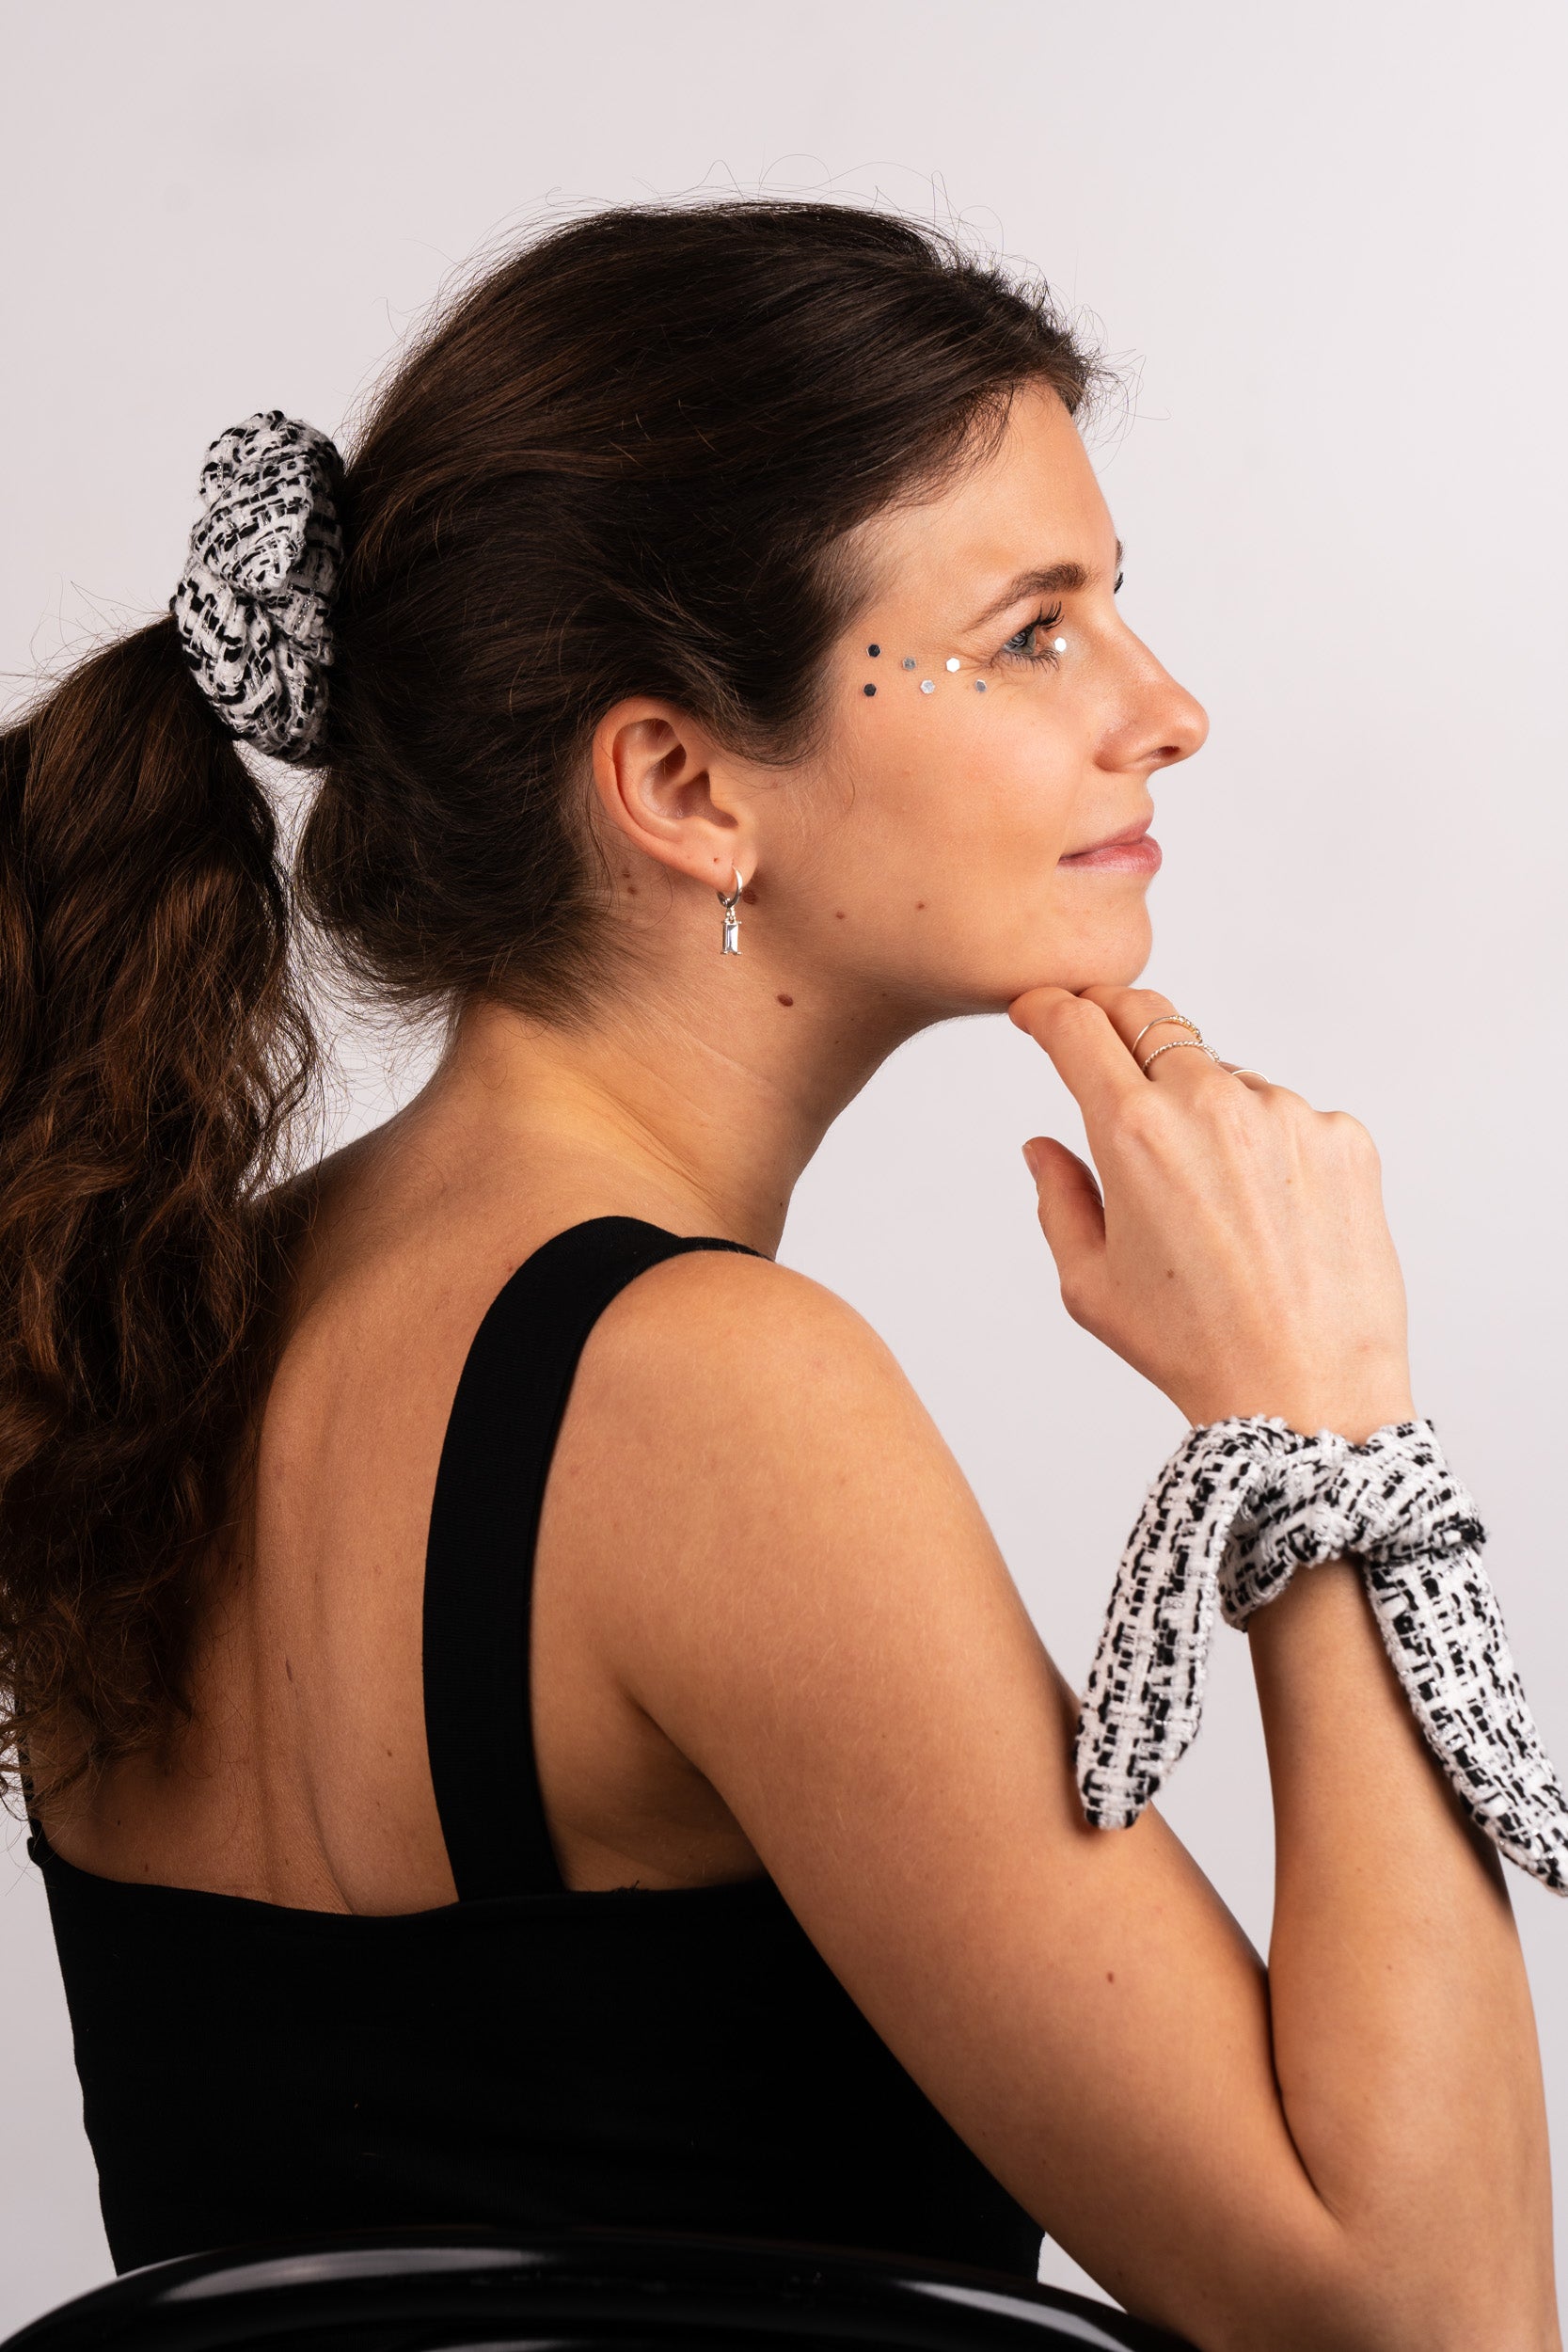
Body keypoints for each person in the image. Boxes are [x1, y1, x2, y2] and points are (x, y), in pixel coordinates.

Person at [1, 201, 1560, 2352]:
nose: (1168, 709)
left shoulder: (152, 1319)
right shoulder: (708, 1392)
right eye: (1035, 632)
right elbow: (1429, 2319)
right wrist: (1320, 1422)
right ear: (683, 783)